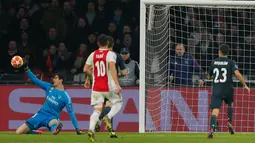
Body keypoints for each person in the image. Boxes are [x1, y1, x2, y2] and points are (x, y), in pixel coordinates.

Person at [15, 64, 83, 135]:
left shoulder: (66, 97)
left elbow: (71, 113)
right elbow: (35, 80)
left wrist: (77, 128)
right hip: (41, 114)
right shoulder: (49, 87)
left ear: (61, 80)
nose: (53, 80)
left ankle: (55, 130)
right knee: (18, 132)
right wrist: (27, 69)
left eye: (56, 78)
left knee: (53, 123)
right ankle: (37, 133)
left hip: (52, 117)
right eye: (53, 78)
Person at [84, 34, 123, 142]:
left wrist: (88, 79)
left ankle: (91, 129)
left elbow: (85, 69)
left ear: (98, 43)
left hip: (96, 87)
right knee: (119, 102)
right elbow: (112, 68)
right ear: (108, 43)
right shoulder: (111, 54)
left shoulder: (93, 54)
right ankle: (108, 116)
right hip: (109, 86)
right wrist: (117, 84)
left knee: (97, 110)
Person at [207, 44, 250, 139]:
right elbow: (238, 75)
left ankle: (211, 129)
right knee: (230, 104)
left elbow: (209, 76)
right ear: (228, 53)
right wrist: (245, 85)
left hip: (217, 89)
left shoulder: (214, 62)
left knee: (215, 110)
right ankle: (229, 122)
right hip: (228, 89)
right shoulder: (231, 62)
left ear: (219, 51)